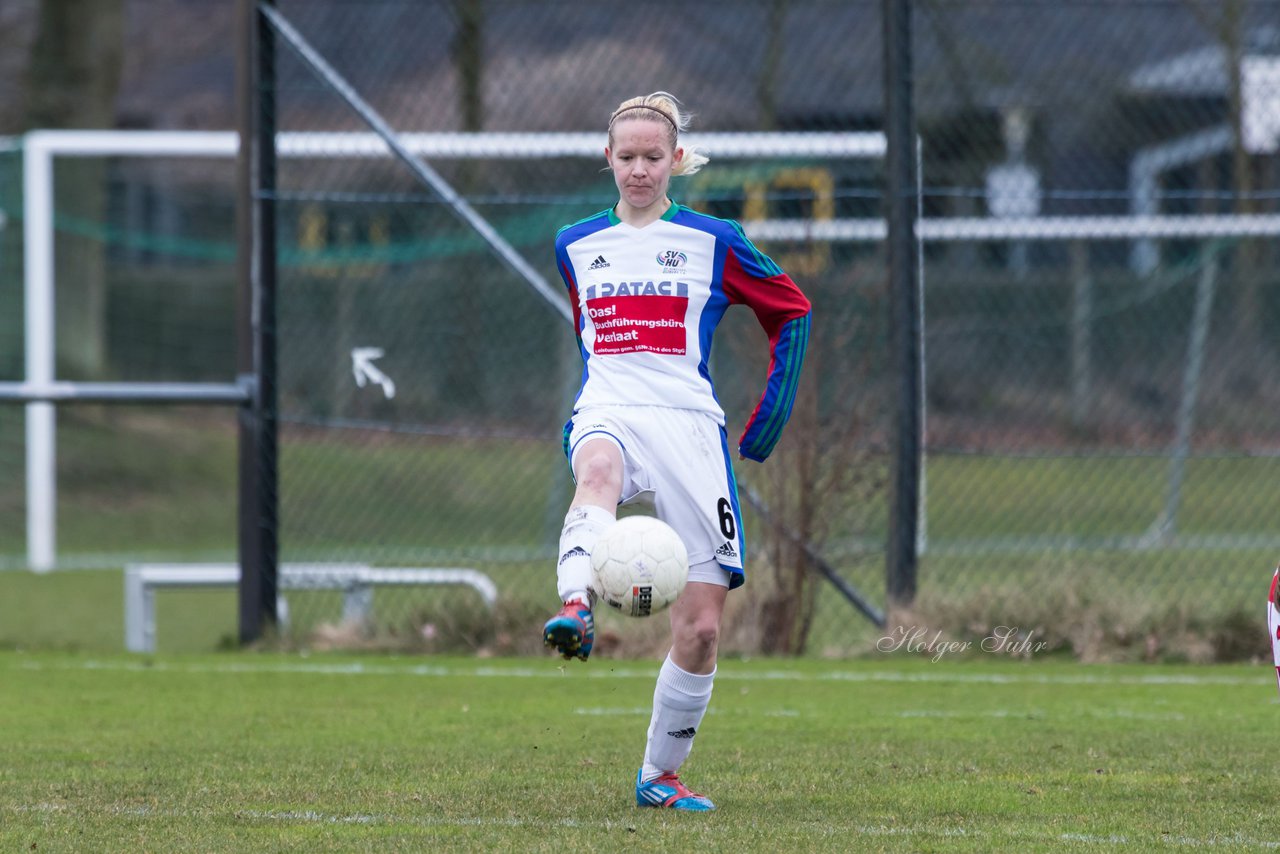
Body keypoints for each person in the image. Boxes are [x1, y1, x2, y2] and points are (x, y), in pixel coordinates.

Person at [542, 91, 811, 811]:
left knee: (699, 629)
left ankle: (659, 775)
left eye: (652, 157)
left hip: (691, 428)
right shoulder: (574, 244)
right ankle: (576, 604)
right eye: (625, 156)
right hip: (610, 407)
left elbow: (792, 310)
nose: (638, 169)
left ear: (675, 161)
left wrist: (767, 420)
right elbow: (591, 341)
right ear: (607, 159)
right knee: (595, 470)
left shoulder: (713, 239)